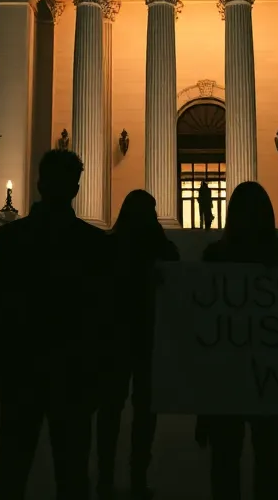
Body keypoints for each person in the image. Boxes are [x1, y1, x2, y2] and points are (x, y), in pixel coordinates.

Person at [0, 150, 115, 500]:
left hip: (25, 373)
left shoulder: (11, 239)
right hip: (71, 376)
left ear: (39, 183)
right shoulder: (94, 245)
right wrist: (100, 376)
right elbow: (106, 317)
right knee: (70, 476)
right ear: (77, 188)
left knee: (11, 470)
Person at [197, 181, 278, 500]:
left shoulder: (219, 255)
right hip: (240, 375)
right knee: (263, 460)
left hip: (253, 376)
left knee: (230, 462)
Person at [96, 190, 180, 500]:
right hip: (140, 338)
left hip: (122, 339)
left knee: (112, 410)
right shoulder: (158, 248)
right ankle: (136, 477)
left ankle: (107, 477)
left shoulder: (111, 246)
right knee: (139, 412)